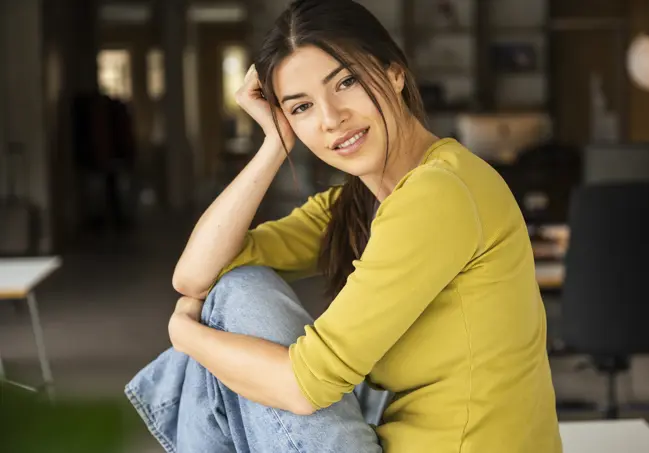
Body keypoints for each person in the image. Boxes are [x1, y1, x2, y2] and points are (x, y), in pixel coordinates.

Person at [125, 0, 562, 452]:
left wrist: (187, 336)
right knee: (236, 285)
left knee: (231, 312)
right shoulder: (360, 202)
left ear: (394, 73)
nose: (331, 119)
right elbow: (196, 273)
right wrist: (273, 146)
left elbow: (303, 384)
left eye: (346, 82)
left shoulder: (439, 193)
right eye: (301, 108)